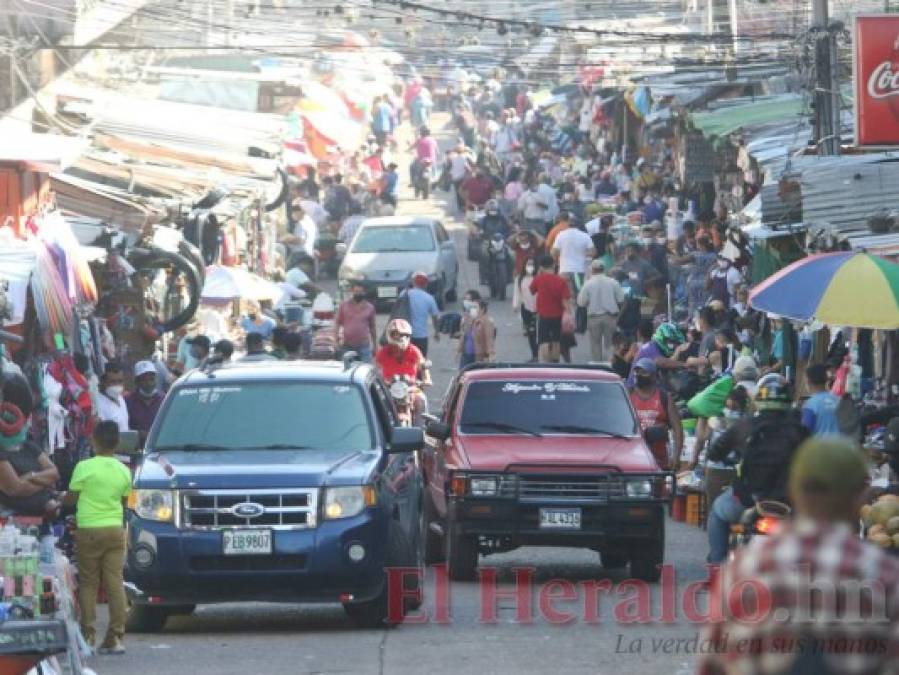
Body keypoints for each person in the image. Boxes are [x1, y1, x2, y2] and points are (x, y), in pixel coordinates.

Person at [698, 437, 899, 675]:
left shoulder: (744, 567)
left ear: (794, 489)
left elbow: (711, 663)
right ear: (861, 495)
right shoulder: (884, 574)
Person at [705, 374, 809, 564]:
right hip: (788, 504)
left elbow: (715, 451)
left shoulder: (745, 426)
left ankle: (717, 564)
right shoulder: (801, 431)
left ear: (759, 399)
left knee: (718, 514)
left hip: (747, 500)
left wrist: (720, 455)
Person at [63, 421, 132, 654]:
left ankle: (88, 636)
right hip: (115, 530)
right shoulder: (124, 470)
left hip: (89, 530)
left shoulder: (85, 467)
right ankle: (116, 637)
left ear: (93, 440)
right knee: (115, 582)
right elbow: (124, 502)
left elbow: (71, 499)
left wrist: (60, 500)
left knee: (89, 583)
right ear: (117, 442)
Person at [0, 375, 60, 516]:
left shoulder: (28, 445)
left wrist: (30, 476)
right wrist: (44, 481)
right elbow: (14, 488)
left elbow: (55, 473)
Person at [628, 358, 683, 470]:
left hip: (659, 459)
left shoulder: (664, 398)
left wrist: (676, 457)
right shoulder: (628, 395)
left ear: (653, 376)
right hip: (632, 457)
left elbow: (678, 429)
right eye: (637, 371)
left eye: (643, 372)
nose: (639, 375)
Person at [375, 318, 430, 419]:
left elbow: (423, 365)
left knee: (421, 400)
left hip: (411, 388)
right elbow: (375, 369)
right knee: (377, 405)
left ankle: (421, 429)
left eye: (404, 335)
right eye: (397, 334)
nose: (401, 338)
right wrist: (380, 380)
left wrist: (426, 379)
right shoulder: (383, 352)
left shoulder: (413, 350)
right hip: (389, 389)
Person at [578, 259, 625, 362]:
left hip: (594, 317)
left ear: (592, 270)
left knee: (595, 344)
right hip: (610, 317)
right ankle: (611, 365)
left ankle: (598, 366)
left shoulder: (588, 284)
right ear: (604, 269)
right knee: (610, 344)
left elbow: (581, 302)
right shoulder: (613, 282)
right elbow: (621, 299)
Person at [530, 255, 571, 364]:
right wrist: (568, 313)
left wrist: (539, 274)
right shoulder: (561, 281)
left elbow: (532, 290)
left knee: (544, 341)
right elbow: (565, 299)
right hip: (558, 315)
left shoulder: (538, 279)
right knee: (556, 340)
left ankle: (546, 363)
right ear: (553, 265)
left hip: (543, 315)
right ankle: (555, 361)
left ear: (541, 267)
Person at [335, 283, 377, 362]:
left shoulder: (370, 308)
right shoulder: (344, 306)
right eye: (356, 291)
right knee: (347, 370)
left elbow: (372, 327)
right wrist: (335, 341)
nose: (358, 294)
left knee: (365, 369)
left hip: (364, 346)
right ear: (352, 292)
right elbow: (337, 323)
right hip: (347, 346)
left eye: (361, 292)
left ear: (364, 292)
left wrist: (375, 345)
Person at [125, 361, 164, 446]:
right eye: (145, 380)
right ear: (137, 382)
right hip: (135, 450)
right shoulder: (128, 401)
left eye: (152, 379)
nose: (149, 383)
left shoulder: (164, 400)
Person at [404, 272, 441, 357]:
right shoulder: (429, 298)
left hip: (404, 334)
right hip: (421, 336)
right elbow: (435, 317)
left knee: (405, 362)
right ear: (426, 284)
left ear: (413, 282)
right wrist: (436, 332)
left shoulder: (404, 294)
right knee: (420, 361)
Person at [801, 362, 841, 436]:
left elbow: (805, 432)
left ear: (808, 381)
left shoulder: (811, 405)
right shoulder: (838, 400)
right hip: (840, 446)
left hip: (820, 446)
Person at [458, 293, 496, 368]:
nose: (472, 310)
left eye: (475, 308)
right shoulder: (470, 320)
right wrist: (459, 350)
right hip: (466, 355)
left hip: (478, 356)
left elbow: (489, 339)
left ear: (482, 309)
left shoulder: (487, 322)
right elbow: (464, 337)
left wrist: (491, 354)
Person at [513, 258, 539, 362]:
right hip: (526, 308)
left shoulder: (538, 278)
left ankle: (541, 353)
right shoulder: (520, 278)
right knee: (530, 333)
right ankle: (535, 355)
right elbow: (517, 292)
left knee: (538, 331)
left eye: (532, 264)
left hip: (538, 308)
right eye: (528, 264)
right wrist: (516, 305)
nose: (530, 266)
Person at [95, 363, 130, 432]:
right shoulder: (98, 404)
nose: (117, 385)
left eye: (120, 381)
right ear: (104, 382)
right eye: (112, 382)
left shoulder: (120, 398)